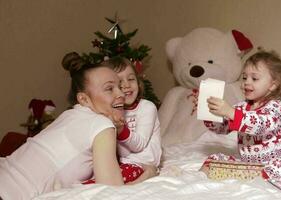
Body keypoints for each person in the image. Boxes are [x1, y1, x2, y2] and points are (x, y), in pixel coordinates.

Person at [0, 52, 126, 200]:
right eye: (109, 88)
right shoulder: (102, 125)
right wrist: (146, 176)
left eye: (120, 86)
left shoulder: (68, 115)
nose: (121, 93)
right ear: (83, 99)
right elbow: (112, 192)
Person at [200, 49, 281, 180]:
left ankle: (255, 176)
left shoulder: (276, 107)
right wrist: (210, 114)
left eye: (255, 78)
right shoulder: (241, 107)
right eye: (245, 77)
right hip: (248, 164)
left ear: (272, 85)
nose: (247, 82)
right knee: (214, 159)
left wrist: (231, 112)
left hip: (272, 162)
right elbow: (222, 128)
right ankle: (202, 176)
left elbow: (261, 125)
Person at [83, 58, 162, 185]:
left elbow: (139, 145)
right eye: (119, 83)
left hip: (141, 162)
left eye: (131, 79)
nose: (126, 85)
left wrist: (121, 130)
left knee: (102, 184)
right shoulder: (112, 111)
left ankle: (147, 174)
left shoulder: (147, 107)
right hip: (121, 162)